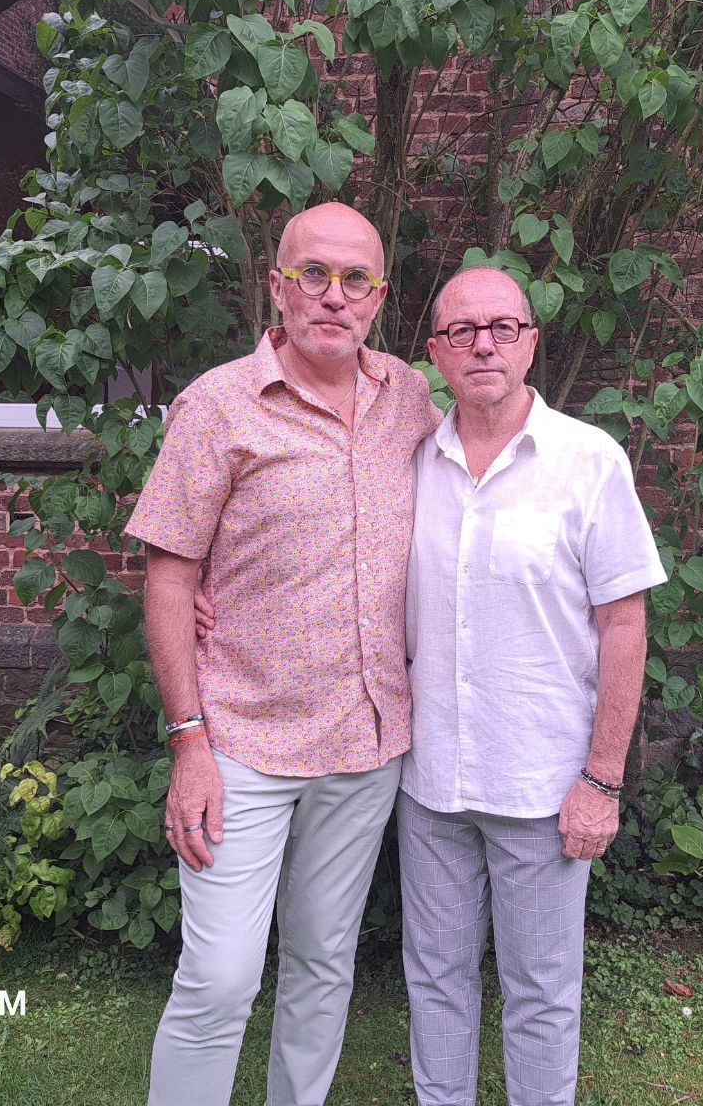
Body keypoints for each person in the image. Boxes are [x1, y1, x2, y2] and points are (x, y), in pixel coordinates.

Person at [123, 202, 439, 1106]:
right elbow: (170, 578)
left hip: (366, 742)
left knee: (322, 963)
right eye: (314, 275)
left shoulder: (410, 399)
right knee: (220, 976)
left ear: (379, 297)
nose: (333, 296)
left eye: (355, 280)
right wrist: (188, 744)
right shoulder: (218, 405)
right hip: (241, 744)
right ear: (278, 285)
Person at [398, 265, 667, 1106]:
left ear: (532, 342)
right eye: (462, 331)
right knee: (435, 981)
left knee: (542, 994)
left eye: (502, 328)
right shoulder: (410, 461)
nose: (484, 344)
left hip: (545, 784)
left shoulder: (589, 461)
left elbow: (625, 626)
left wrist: (602, 780)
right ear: (436, 352)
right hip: (430, 780)